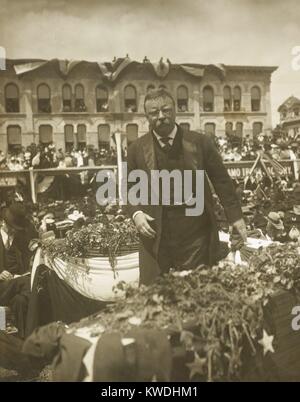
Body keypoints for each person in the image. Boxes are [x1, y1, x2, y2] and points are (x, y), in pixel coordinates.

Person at [125, 88, 247, 285]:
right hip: (157, 231)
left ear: (175, 111)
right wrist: (136, 214)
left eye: (166, 110)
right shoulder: (136, 149)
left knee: (199, 286)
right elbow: (129, 188)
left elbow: (222, 180)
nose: (161, 116)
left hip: (195, 230)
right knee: (154, 294)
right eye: (154, 113)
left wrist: (236, 217)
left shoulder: (200, 142)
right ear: (146, 116)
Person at [0, 203, 37, 338]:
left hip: (14, 286)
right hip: (2, 287)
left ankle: (24, 339)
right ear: (4, 223)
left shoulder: (18, 240)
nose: (15, 231)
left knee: (20, 301)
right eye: (12, 228)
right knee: (27, 283)